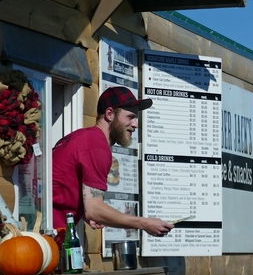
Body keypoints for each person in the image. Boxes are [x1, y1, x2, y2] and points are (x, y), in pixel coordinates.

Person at [52, 86, 174, 237]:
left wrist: (84, 211)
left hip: (45, 229)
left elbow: (61, 187)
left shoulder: (80, 136)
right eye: (130, 117)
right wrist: (145, 223)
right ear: (110, 114)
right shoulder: (97, 146)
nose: (135, 124)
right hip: (46, 236)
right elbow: (95, 210)